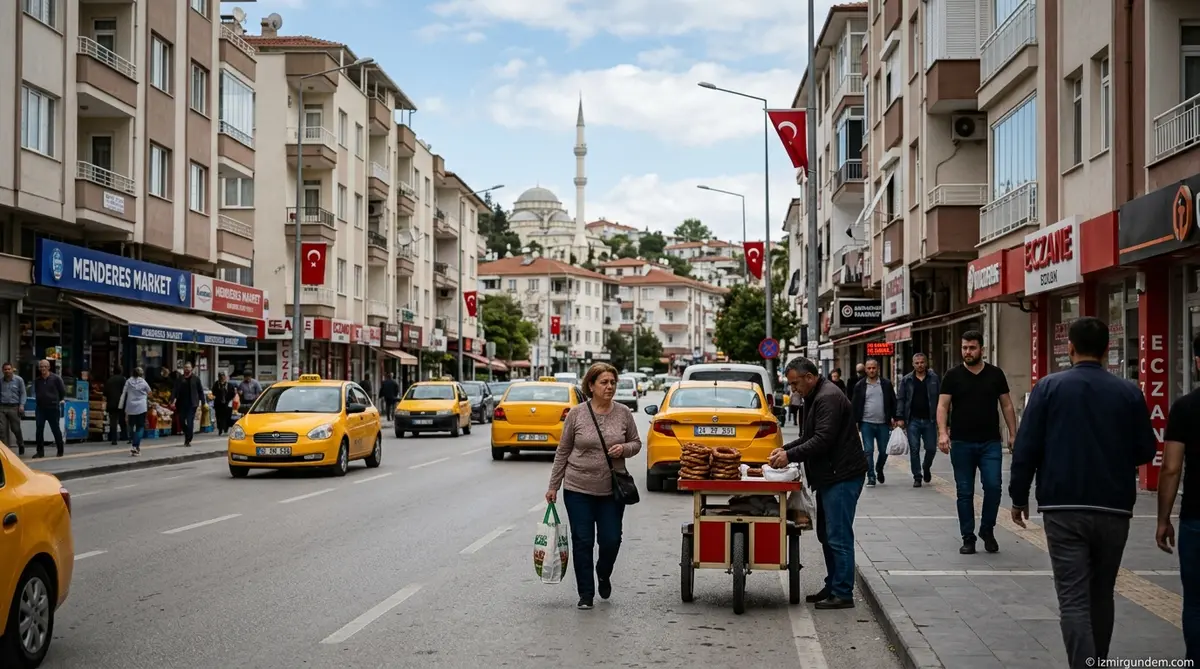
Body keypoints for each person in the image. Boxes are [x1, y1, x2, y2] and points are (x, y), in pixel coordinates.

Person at [1009, 317, 1157, 669]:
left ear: (1070, 348)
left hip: (1063, 507)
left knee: (1073, 598)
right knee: (1102, 594)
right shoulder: (1128, 392)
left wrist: (1018, 497)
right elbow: (1145, 450)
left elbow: (1026, 447)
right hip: (1114, 507)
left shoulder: (1048, 388)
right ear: (1107, 349)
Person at [770, 357, 867, 610]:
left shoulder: (828, 397)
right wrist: (785, 449)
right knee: (826, 534)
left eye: (795, 384)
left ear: (810, 377)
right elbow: (808, 436)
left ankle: (842, 592)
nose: (793, 389)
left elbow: (822, 440)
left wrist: (789, 456)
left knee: (838, 535)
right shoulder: (815, 396)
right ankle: (833, 585)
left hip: (842, 475)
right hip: (829, 476)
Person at [546, 362, 642, 611]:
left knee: (611, 540)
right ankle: (586, 594)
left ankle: (603, 572)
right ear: (591, 385)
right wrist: (553, 485)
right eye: (604, 382)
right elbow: (563, 450)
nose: (609, 387)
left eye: (612, 382)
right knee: (582, 541)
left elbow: (636, 443)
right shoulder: (576, 414)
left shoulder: (623, 413)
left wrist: (624, 449)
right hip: (578, 488)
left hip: (612, 490)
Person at [937, 330, 1017, 555]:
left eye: (972, 348)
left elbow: (1007, 404)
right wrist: (942, 433)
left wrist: (1013, 434)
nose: (967, 352)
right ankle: (968, 537)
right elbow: (943, 405)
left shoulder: (995, 374)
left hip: (990, 442)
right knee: (964, 492)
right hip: (961, 442)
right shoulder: (952, 375)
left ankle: (987, 529)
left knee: (994, 487)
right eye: (964, 348)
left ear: (982, 349)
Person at [1156, 333, 1200, 663]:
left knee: (1196, 601)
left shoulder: (1186, 408)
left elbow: (1171, 468)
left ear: (1197, 363)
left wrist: (1163, 519)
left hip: (1197, 517)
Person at [895, 353, 940, 487]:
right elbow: (901, 399)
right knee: (914, 449)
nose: (920, 365)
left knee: (931, 448)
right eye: (917, 363)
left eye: (922, 362)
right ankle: (917, 476)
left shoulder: (934, 378)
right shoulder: (907, 379)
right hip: (912, 420)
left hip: (930, 420)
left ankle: (926, 466)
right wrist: (900, 417)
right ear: (913, 364)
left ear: (926, 363)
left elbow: (941, 398)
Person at [851, 358, 897, 487]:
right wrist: (854, 422)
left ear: (878, 369)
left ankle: (879, 468)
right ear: (865, 370)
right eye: (869, 368)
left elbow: (893, 401)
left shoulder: (886, 384)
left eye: (874, 368)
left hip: (883, 423)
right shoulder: (860, 385)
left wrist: (896, 417)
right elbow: (855, 405)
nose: (871, 370)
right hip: (866, 423)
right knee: (868, 450)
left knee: (884, 450)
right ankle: (871, 476)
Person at [32, 359, 66, 458]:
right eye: (41, 367)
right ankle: (40, 452)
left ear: (49, 367)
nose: (43, 368)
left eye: (45, 366)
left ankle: (60, 450)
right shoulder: (37, 380)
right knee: (39, 429)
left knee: (55, 429)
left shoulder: (56, 378)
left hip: (53, 407)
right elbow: (36, 391)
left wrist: (59, 400)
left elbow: (62, 391)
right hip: (40, 408)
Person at [170, 362, 204, 447]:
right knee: (181, 421)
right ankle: (188, 433)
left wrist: (203, 402)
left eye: (188, 367)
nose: (187, 369)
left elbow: (200, 391)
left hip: (192, 404)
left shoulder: (196, 379)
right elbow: (175, 390)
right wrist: (172, 400)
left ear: (191, 369)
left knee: (189, 421)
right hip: (181, 404)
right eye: (185, 367)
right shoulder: (180, 379)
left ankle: (188, 439)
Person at [119, 367, 152, 456]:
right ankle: (135, 446)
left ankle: (133, 442)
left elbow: (123, 393)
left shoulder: (128, 381)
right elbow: (150, 392)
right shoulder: (144, 382)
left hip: (131, 407)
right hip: (141, 407)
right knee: (140, 427)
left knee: (131, 425)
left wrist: (121, 405)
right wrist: (144, 395)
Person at [0, 362, 27, 455]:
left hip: (14, 407)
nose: (7, 371)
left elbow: (23, 393)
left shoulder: (19, 380)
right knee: (1, 430)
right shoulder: (1, 381)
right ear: (2, 371)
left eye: (9, 369)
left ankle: (21, 444)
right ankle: (5, 451)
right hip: (2, 407)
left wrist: (21, 405)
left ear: (12, 370)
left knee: (15, 429)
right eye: (5, 369)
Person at [104, 365, 127, 446]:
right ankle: (124, 436)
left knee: (113, 421)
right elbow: (125, 391)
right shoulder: (123, 379)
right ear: (121, 371)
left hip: (111, 403)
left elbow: (105, 392)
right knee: (122, 419)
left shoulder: (109, 380)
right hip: (120, 402)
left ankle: (113, 439)